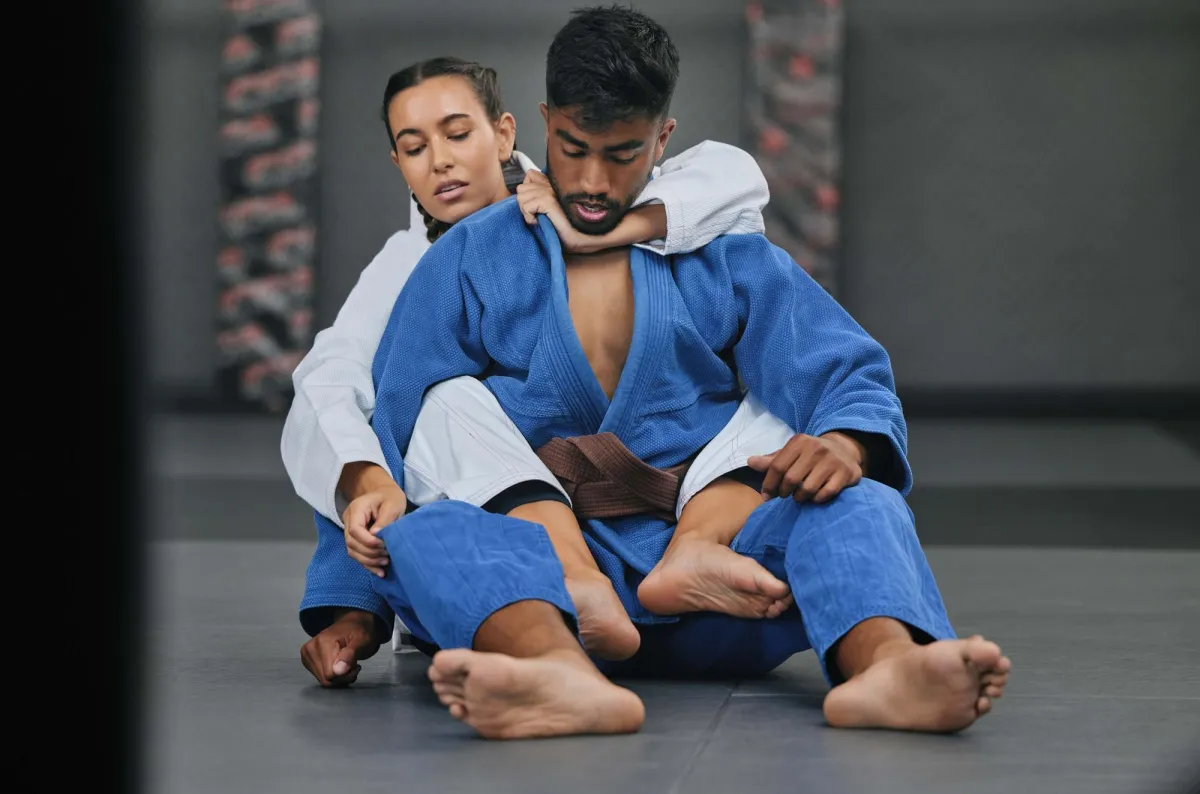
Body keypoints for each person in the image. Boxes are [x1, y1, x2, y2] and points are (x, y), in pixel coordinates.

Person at [329, 5, 1014, 739]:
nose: (593, 181)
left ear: (663, 138)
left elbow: (842, 365)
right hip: (537, 587)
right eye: (572, 148)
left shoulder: (722, 253)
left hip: (725, 594)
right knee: (424, 520)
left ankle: (888, 668)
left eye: (623, 154)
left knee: (860, 503)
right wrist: (349, 607)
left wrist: (844, 445)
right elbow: (384, 437)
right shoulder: (471, 257)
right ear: (544, 123)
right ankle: (555, 670)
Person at [286, 56, 798, 685]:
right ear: (399, 163)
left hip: (664, 495)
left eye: (457, 133)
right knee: (433, 404)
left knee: (783, 406)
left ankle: (689, 551)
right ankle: (562, 590)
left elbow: (733, 175)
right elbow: (339, 400)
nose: (440, 161)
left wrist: (610, 231)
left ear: (505, 133)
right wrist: (353, 603)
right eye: (415, 147)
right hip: (512, 518)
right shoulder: (404, 264)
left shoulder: (587, 193)